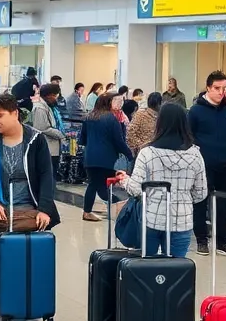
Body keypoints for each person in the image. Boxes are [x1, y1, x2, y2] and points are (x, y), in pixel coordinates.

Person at [0, 93, 59, 320]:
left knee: (25, 248)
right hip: (1, 206)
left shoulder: (35, 141)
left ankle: (25, 291)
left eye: (0, 115)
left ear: (15, 114)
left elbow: (46, 176)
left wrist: (45, 209)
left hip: (30, 206)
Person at [117, 103, 206, 258]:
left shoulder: (147, 153)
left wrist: (124, 180)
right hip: (182, 221)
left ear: (159, 123)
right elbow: (201, 193)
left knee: (148, 269)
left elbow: (136, 189)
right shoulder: (195, 154)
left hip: (151, 219)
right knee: (176, 272)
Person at [188, 71, 226, 257]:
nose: (221, 92)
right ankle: (202, 240)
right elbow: (188, 137)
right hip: (202, 167)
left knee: (223, 204)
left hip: (224, 165)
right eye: (217, 88)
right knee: (200, 203)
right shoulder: (195, 111)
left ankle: (222, 241)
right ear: (208, 89)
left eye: (225, 88)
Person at [79, 93, 133, 223]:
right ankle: (119, 207)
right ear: (108, 102)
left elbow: (82, 139)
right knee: (98, 186)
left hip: (90, 156)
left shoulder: (89, 117)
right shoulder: (111, 118)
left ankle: (109, 208)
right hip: (106, 157)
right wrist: (129, 154)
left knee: (97, 184)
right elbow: (118, 141)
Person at [29, 82, 67, 175]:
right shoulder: (40, 108)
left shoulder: (48, 106)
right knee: (48, 176)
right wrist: (60, 134)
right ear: (49, 95)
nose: (56, 98)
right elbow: (42, 127)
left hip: (52, 148)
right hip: (47, 148)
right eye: (55, 96)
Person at [127, 90, 162, 155]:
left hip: (158, 152)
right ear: (158, 104)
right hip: (143, 153)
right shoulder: (140, 115)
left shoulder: (161, 116)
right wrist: (141, 145)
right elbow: (130, 133)